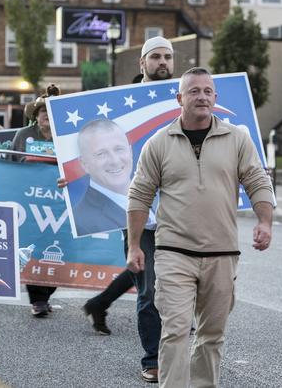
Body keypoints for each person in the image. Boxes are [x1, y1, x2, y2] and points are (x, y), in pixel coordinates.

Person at [127, 67, 274, 387]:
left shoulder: (237, 139)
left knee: (211, 335)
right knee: (176, 330)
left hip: (221, 252)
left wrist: (265, 221)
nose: (202, 96)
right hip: (173, 251)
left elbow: (257, 181)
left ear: (215, 98)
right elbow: (139, 194)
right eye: (194, 91)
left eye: (208, 91)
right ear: (180, 98)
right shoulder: (159, 142)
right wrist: (135, 245)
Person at [61, 36, 174, 383]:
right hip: (141, 214)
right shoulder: (121, 107)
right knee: (149, 289)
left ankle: (184, 349)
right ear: (142, 63)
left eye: (168, 57)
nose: (163, 63)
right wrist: (71, 177)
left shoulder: (183, 101)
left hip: (182, 211)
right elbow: (93, 149)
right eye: (155, 57)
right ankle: (153, 358)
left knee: (186, 288)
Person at [11, 86, 57, 317]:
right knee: (32, 245)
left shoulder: (66, 136)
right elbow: (11, 163)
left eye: (51, 110)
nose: (46, 114)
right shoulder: (23, 135)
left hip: (57, 201)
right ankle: (37, 299)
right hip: (29, 200)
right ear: (35, 115)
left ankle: (46, 293)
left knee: (58, 245)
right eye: (42, 110)